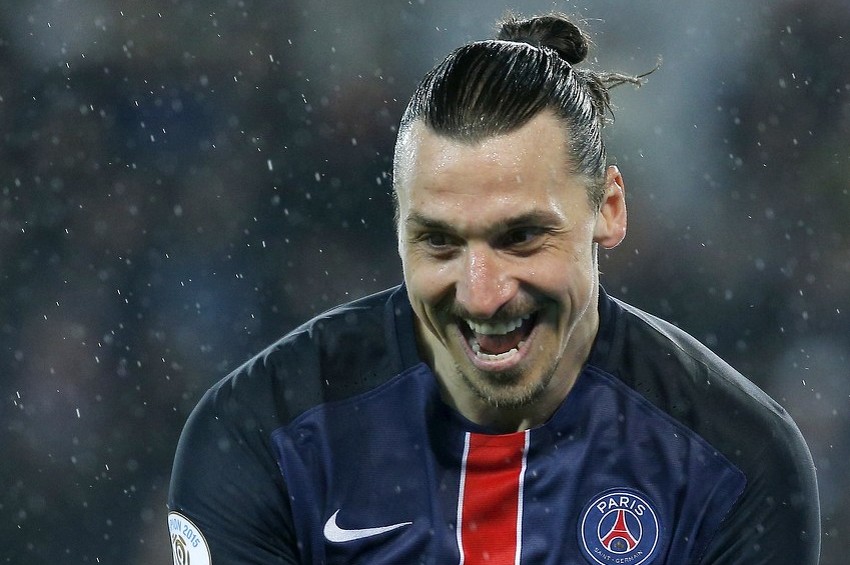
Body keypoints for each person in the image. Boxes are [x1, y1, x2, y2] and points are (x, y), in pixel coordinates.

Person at [167, 13, 820, 564]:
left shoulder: (734, 460)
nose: (482, 295)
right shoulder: (263, 435)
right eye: (440, 242)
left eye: (521, 237)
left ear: (609, 209)